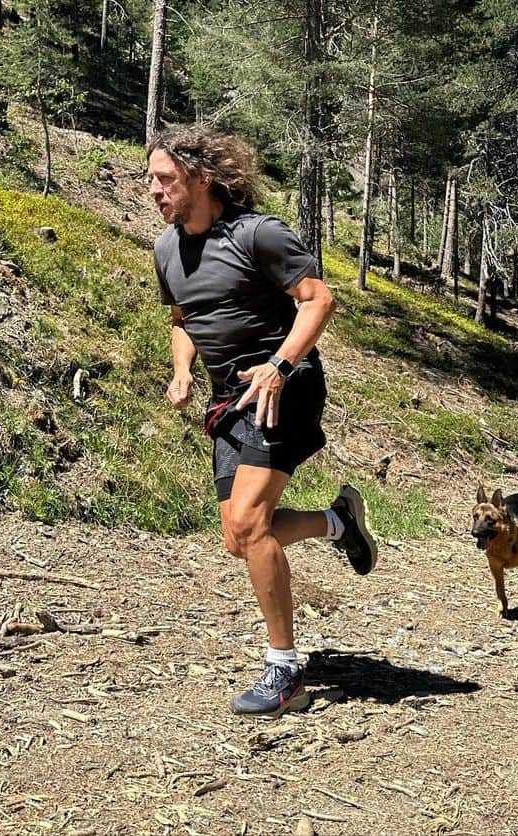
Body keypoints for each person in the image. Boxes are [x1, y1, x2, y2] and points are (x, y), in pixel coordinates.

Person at [148, 124, 377, 718]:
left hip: (285, 388)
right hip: (229, 400)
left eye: (165, 179)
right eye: (150, 180)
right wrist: (182, 371)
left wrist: (279, 364)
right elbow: (181, 317)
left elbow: (319, 299)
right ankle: (337, 521)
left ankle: (285, 671)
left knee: (250, 523)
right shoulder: (166, 249)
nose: (154, 191)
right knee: (239, 537)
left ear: (201, 177)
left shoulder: (258, 234)